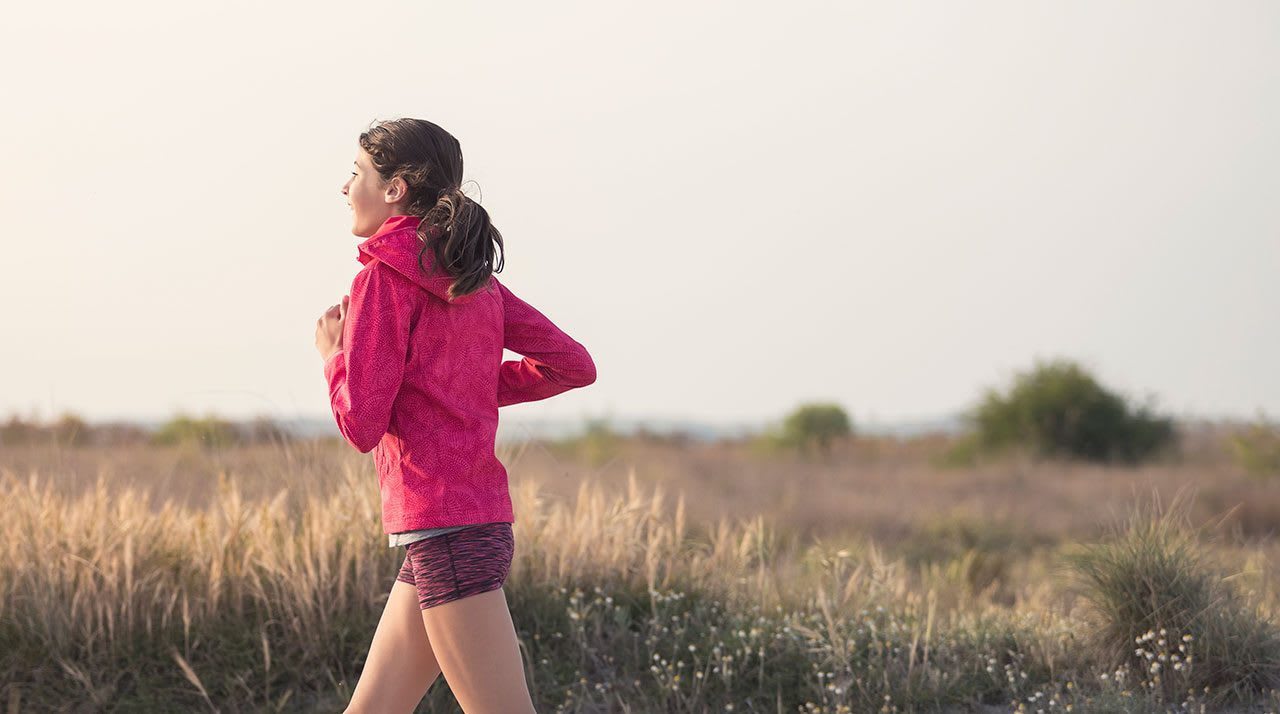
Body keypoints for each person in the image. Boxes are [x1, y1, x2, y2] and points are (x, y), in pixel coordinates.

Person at [314, 117, 597, 713]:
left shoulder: (383, 278)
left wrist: (333, 359)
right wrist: (458, 389)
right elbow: (572, 364)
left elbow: (361, 426)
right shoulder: (475, 280)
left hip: (447, 531)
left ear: (395, 189)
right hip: (463, 527)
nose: (345, 187)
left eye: (357, 172)